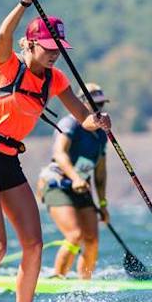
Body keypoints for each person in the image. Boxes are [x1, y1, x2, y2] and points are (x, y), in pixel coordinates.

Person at [0, 0, 112, 302]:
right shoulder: (7, 65)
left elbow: (80, 115)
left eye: (59, 47)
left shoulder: (56, 79)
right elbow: (3, 32)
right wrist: (24, 3)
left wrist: (97, 121)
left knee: (34, 243)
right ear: (28, 45)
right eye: (47, 47)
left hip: (10, 161)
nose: (55, 53)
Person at [36, 83, 111, 280]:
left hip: (81, 188)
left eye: (102, 105)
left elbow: (100, 173)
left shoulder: (101, 134)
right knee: (75, 235)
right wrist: (76, 177)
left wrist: (102, 204)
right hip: (57, 184)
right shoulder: (70, 124)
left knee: (92, 240)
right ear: (82, 103)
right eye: (96, 105)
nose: (100, 110)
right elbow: (59, 153)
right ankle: (58, 277)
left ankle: (84, 284)